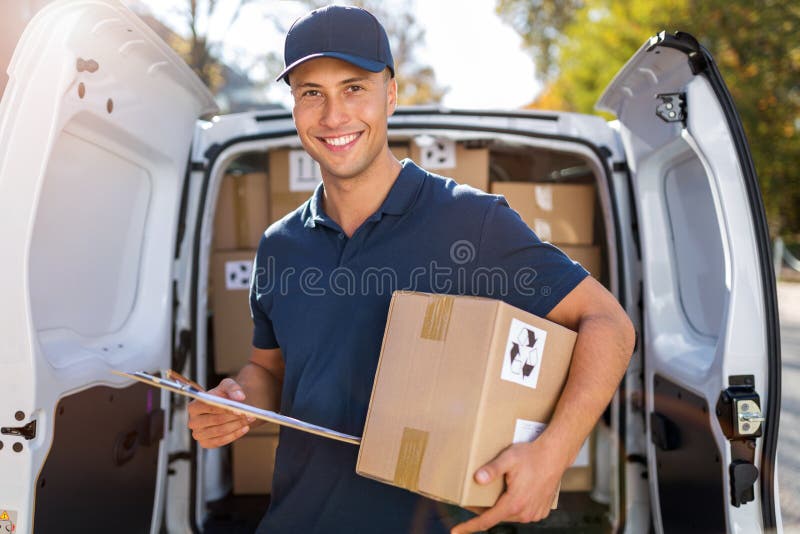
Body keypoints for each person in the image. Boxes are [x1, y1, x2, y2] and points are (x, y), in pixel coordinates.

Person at [187, 5, 635, 533]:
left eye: (354, 87)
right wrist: (235, 401)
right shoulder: (280, 246)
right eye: (312, 92)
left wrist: (554, 454)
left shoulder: (471, 222)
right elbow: (270, 371)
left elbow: (609, 324)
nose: (333, 115)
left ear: (391, 95)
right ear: (294, 106)